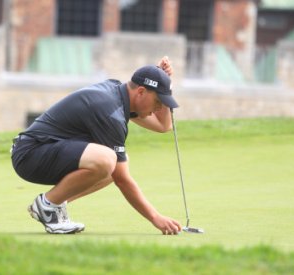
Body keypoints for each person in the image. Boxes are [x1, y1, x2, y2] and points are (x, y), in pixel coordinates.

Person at [11, 56, 182, 235]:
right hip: (30, 155)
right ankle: (47, 205)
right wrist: (156, 218)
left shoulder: (119, 95)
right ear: (140, 92)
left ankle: (54, 204)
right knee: (109, 161)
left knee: (113, 163)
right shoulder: (110, 112)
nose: (158, 108)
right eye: (158, 102)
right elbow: (122, 180)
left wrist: (163, 81)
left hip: (43, 150)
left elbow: (164, 126)